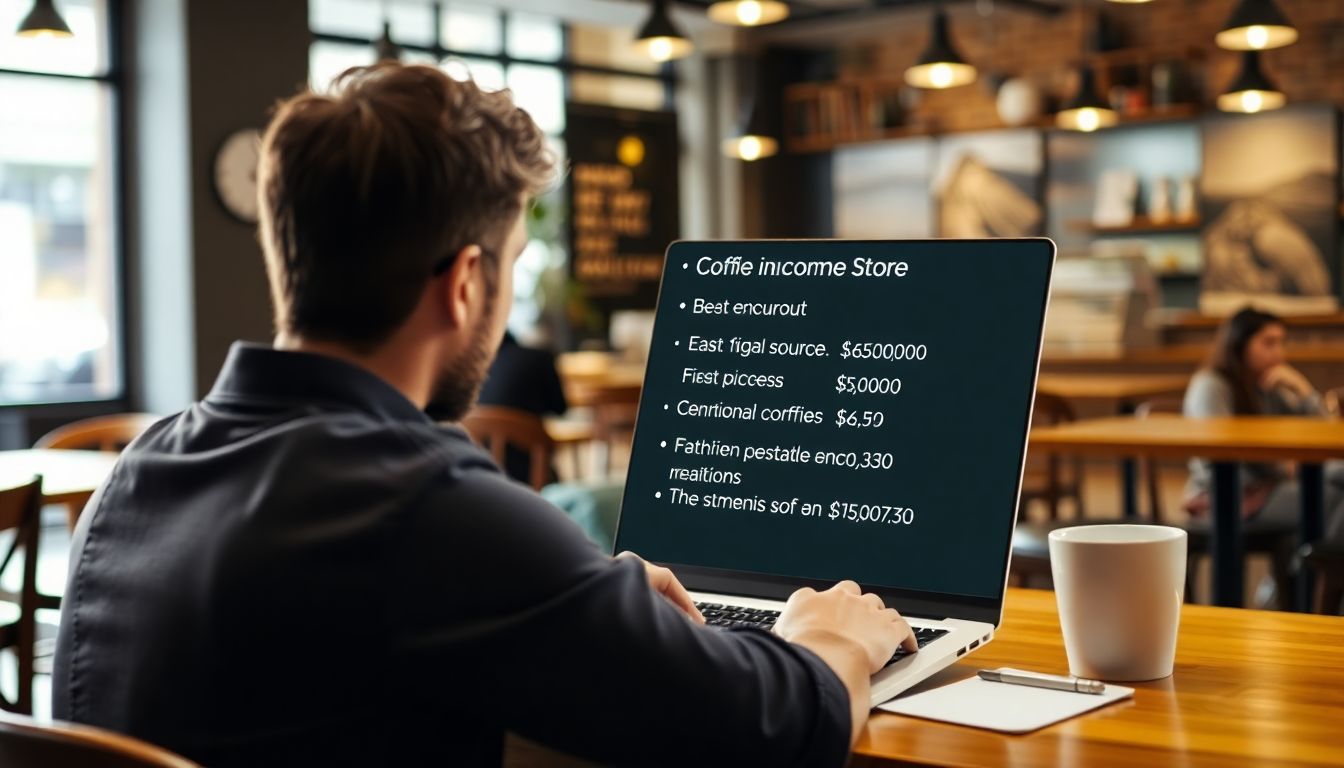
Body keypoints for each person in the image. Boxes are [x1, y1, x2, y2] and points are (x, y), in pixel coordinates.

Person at [53, 63, 915, 767]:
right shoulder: (420, 505)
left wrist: (580, 597)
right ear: (466, 282)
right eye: (510, 266)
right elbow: (765, 731)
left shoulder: (137, 476)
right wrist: (826, 640)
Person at [1183, 307, 1344, 540]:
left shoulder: (1266, 384)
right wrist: (1283, 468)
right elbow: (1215, 457)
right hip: (1227, 496)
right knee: (1334, 498)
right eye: (1269, 343)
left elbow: (1325, 432)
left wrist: (1304, 390)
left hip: (1271, 486)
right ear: (1239, 345)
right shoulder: (1211, 386)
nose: (1279, 353)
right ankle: (1315, 573)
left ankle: (1303, 572)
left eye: (1281, 343)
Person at [431, 330, 568, 484]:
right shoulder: (538, 358)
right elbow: (560, 408)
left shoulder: (467, 365)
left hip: (479, 475)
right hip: (534, 477)